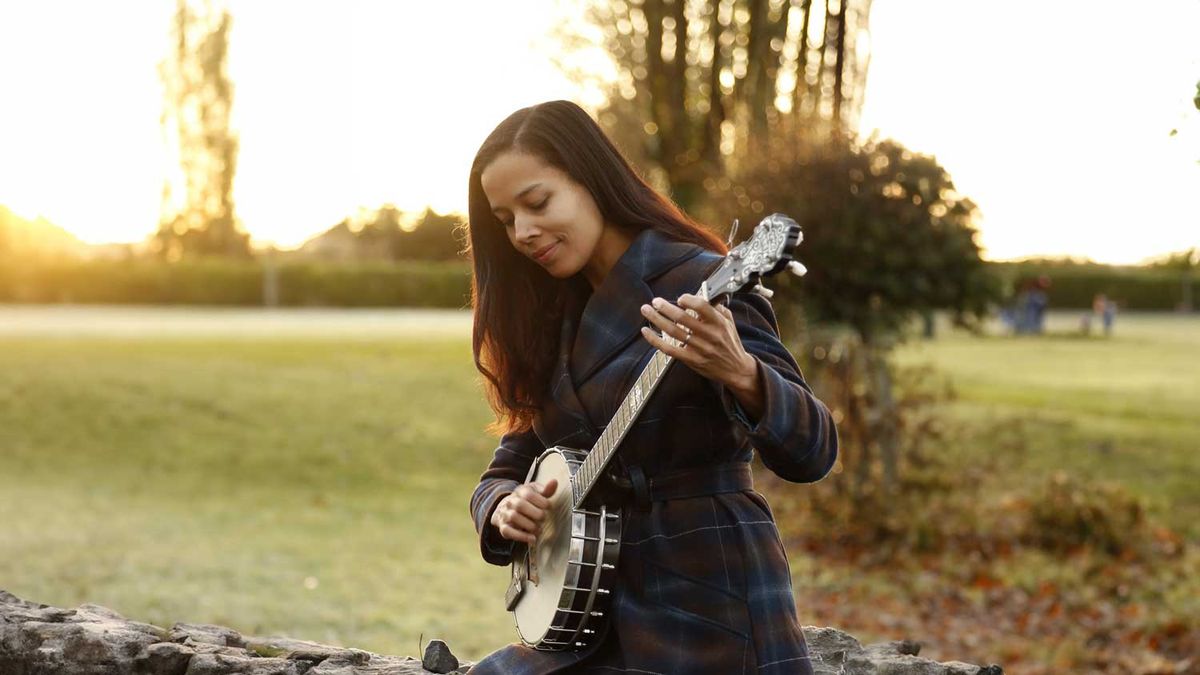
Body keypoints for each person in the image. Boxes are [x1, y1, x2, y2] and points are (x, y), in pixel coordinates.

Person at [465, 100, 839, 675]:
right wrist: (503, 508)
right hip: (589, 611)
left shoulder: (702, 283)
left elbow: (814, 451)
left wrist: (743, 373)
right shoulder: (548, 317)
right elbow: (507, 465)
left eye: (537, 203)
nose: (523, 231)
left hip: (709, 599)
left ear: (591, 178)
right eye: (505, 219)